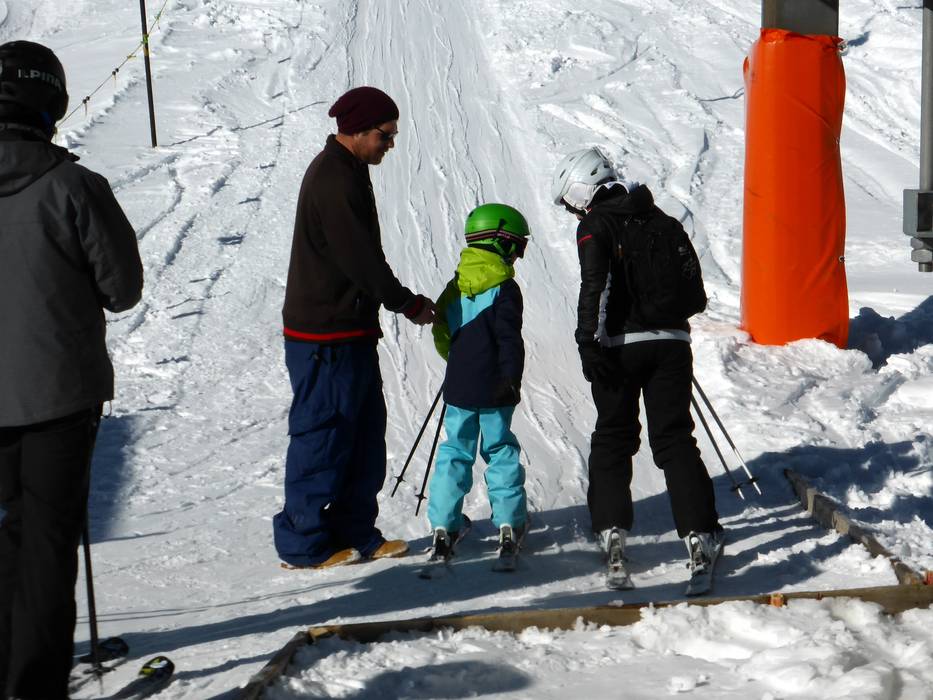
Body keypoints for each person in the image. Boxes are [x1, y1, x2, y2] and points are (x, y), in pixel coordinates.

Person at [0, 41, 144, 699]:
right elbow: (121, 289)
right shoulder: (74, 187)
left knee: (10, 536)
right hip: (57, 397)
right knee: (46, 542)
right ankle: (33, 684)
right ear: (51, 103)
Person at [274, 86, 436, 569]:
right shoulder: (333, 179)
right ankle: (304, 544)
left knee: (364, 437)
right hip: (322, 336)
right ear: (359, 131)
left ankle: (355, 531)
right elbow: (360, 260)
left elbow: (365, 256)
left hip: (351, 331)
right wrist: (407, 303)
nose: (391, 144)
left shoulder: (351, 170)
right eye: (386, 135)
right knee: (322, 436)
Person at [550, 146, 722, 587]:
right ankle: (700, 535)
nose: (573, 211)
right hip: (672, 344)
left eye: (571, 202)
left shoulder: (596, 224)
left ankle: (612, 533)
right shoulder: (663, 220)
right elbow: (694, 291)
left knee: (613, 436)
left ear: (583, 189)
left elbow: (595, 285)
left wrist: (587, 342)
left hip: (619, 346)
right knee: (675, 438)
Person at [426, 203, 529, 562]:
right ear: (501, 242)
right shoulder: (506, 288)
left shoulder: (455, 285)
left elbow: (441, 330)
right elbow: (510, 340)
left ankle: (444, 527)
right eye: (517, 246)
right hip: (497, 385)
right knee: (500, 449)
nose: (517, 255)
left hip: (460, 385)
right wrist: (512, 379)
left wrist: (457, 363)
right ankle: (509, 525)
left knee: (456, 449)